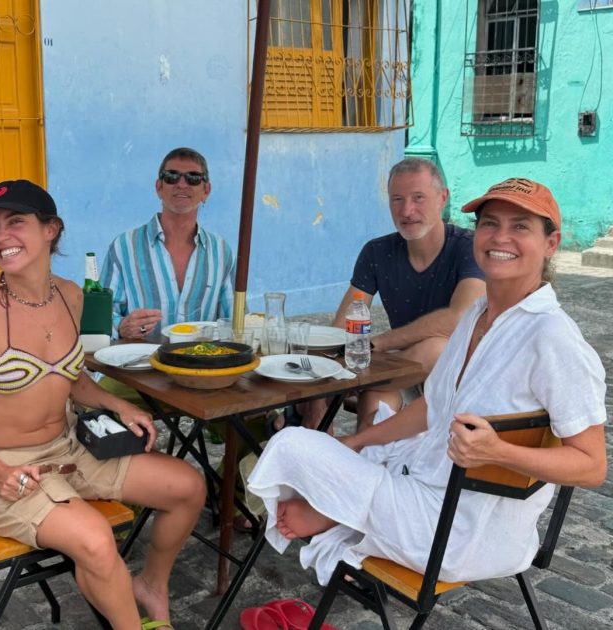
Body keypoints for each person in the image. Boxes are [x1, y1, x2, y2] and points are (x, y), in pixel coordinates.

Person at [246, 178, 607, 587]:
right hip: (425, 485)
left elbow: (592, 466)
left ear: (551, 243)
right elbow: (434, 405)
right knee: (355, 435)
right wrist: (357, 441)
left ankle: (334, 510)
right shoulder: (477, 315)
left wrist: (498, 450)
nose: (500, 237)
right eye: (489, 224)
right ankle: (340, 507)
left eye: (520, 226)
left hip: (459, 531)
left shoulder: (552, 337)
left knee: (293, 443)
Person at [0, 180, 206, 630]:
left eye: (16, 223)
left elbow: (70, 377)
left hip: (69, 453)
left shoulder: (70, 296)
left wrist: (118, 404)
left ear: (51, 229)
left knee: (188, 486)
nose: (0, 238)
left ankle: (151, 584)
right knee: (96, 541)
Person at [292, 157, 486, 432]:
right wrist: (324, 370)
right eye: (397, 199)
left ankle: (328, 398)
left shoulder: (468, 247)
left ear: (442, 198)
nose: (407, 210)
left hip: (459, 377)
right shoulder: (377, 252)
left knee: (438, 346)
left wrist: (379, 343)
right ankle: (360, 457)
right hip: (402, 371)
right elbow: (345, 324)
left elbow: (457, 320)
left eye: (418, 198)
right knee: (374, 400)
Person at [97, 147, 235, 401]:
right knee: (98, 409)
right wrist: (122, 326)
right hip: (141, 371)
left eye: (193, 178)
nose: (182, 184)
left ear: (206, 190)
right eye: (172, 176)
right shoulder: (124, 246)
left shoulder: (220, 251)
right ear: (159, 186)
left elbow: (233, 319)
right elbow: (102, 313)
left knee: (255, 417)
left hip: (203, 372)